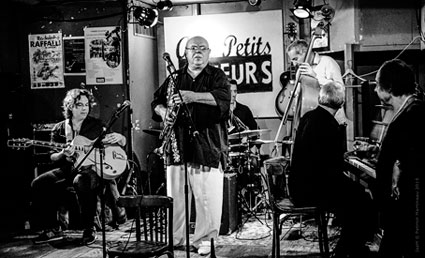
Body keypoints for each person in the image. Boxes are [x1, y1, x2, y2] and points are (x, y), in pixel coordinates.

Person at [151, 36, 230, 256]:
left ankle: (205, 240)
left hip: (207, 144)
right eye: (193, 48)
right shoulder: (174, 78)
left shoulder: (217, 76)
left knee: (207, 197)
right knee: (176, 196)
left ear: (209, 52)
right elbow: (155, 102)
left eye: (202, 48)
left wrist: (192, 97)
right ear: (185, 53)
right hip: (177, 145)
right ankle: (177, 238)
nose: (198, 52)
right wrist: (163, 111)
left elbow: (223, 100)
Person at [288, 81, 376, 258]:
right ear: (341, 103)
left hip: (299, 187)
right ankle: (347, 250)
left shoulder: (308, 117)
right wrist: (356, 160)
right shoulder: (330, 125)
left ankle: (353, 248)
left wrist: (343, 158)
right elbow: (332, 168)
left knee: (354, 197)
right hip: (314, 190)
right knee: (362, 199)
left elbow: (319, 158)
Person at [30, 88, 127, 245]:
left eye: (87, 105)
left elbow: (114, 144)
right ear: (70, 106)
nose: (84, 108)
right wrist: (63, 154)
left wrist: (121, 138)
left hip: (92, 170)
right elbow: (53, 157)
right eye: (79, 105)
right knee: (38, 183)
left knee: (80, 181)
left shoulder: (95, 125)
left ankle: (89, 229)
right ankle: (51, 227)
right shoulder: (59, 128)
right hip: (69, 168)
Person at [373, 59, 425, 258]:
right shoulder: (415, 108)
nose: (375, 90)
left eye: (378, 85)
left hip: (409, 203)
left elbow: (387, 164)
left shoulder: (409, 117)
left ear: (389, 87)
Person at [286, 39, 346, 125]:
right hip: (313, 121)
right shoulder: (301, 70)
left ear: (305, 52)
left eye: (296, 59)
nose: (295, 64)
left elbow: (340, 89)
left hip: (332, 120)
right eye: (293, 61)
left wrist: (316, 76)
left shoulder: (327, 62)